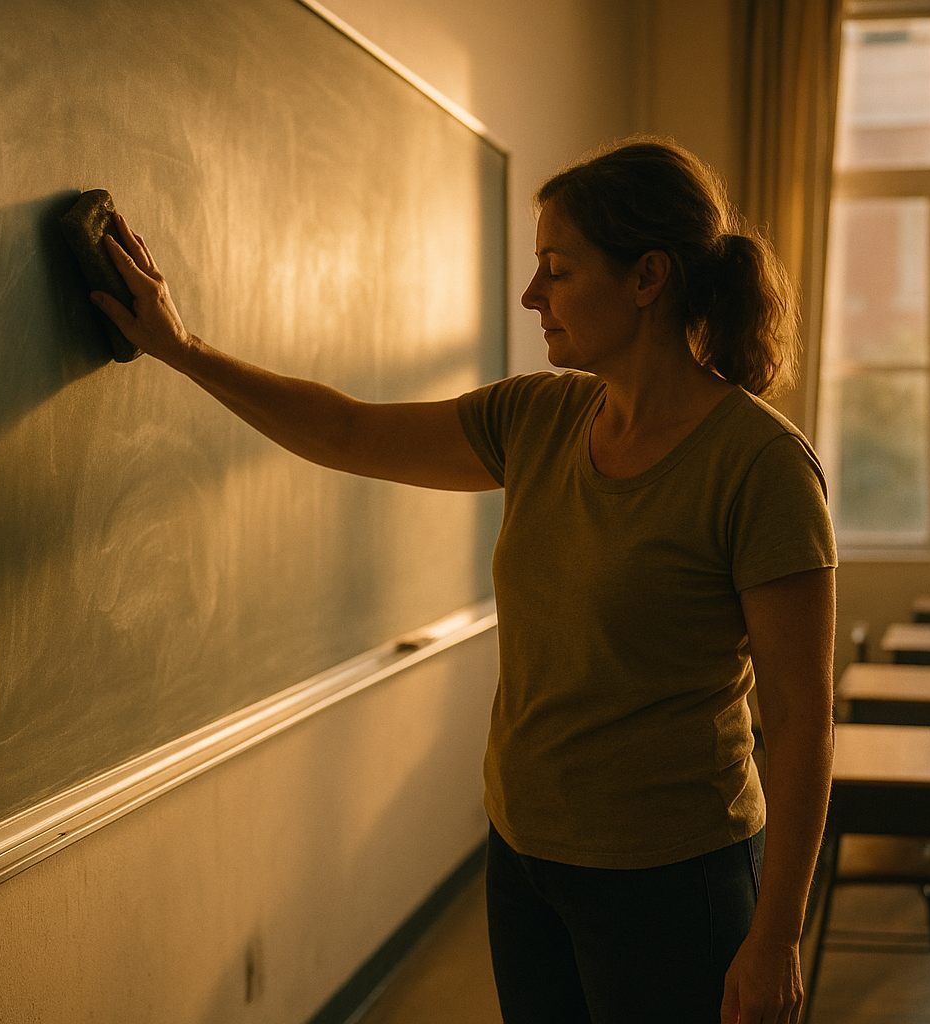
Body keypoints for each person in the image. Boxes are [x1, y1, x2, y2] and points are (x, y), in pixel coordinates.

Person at [92, 136, 836, 1024]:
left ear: (648, 278)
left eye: (556, 271)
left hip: (672, 876)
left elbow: (800, 721)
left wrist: (779, 934)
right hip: (526, 859)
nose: (532, 297)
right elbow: (347, 431)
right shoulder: (539, 416)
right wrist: (184, 350)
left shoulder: (761, 466)